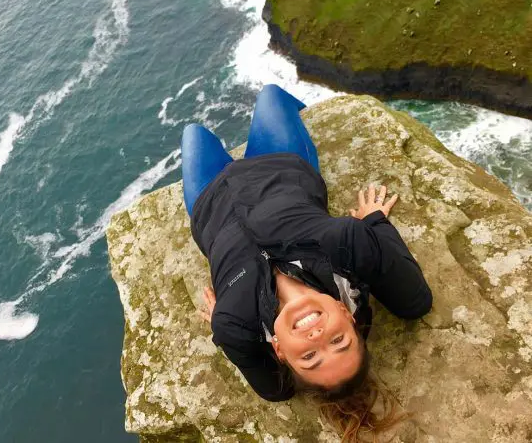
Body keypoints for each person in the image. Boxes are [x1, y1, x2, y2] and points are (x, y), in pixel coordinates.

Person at [181, 84, 432, 441]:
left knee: (192, 132)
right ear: (348, 317)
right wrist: (375, 221)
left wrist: (224, 323)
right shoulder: (347, 249)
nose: (318, 337)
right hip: (281, 165)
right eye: (339, 342)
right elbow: (415, 301)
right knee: (270, 93)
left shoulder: (236, 322)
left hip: (209, 203)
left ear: (280, 352)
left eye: (310, 357)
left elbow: (273, 389)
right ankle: (311, 107)